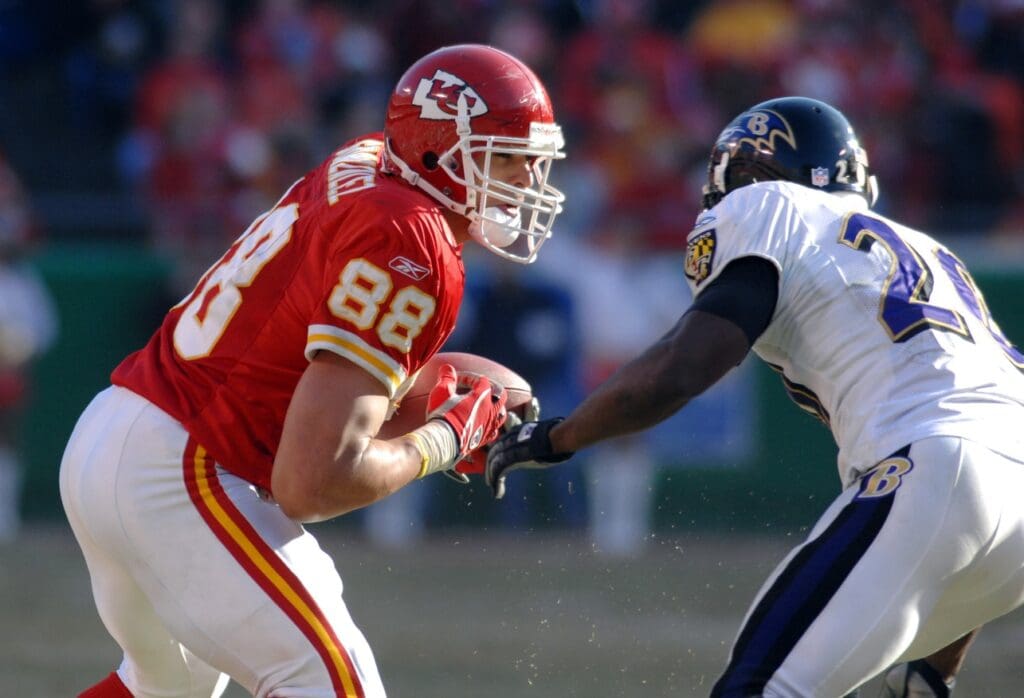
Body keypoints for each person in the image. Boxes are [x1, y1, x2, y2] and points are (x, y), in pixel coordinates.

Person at [60, 43, 567, 697]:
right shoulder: (410, 241)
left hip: (117, 433)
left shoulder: (364, 161)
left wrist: (408, 389)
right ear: (441, 148)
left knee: (164, 690)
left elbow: (309, 354)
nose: (526, 182)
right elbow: (310, 483)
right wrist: (447, 435)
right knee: (334, 686)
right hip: (185, 467)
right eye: (507, 158)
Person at [486, 96, 1024, 697]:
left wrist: (558, 437)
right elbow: (989, 466)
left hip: (938, 467)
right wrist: (937, 662)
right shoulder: (933, 252)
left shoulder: (767, 205)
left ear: (750, 175)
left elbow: (683, 366)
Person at [0, 156, 59, 542]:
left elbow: (42, 332)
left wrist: (17, 354)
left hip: (9, 377)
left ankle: (4, 514)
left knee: (8, 439)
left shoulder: (23, 282)